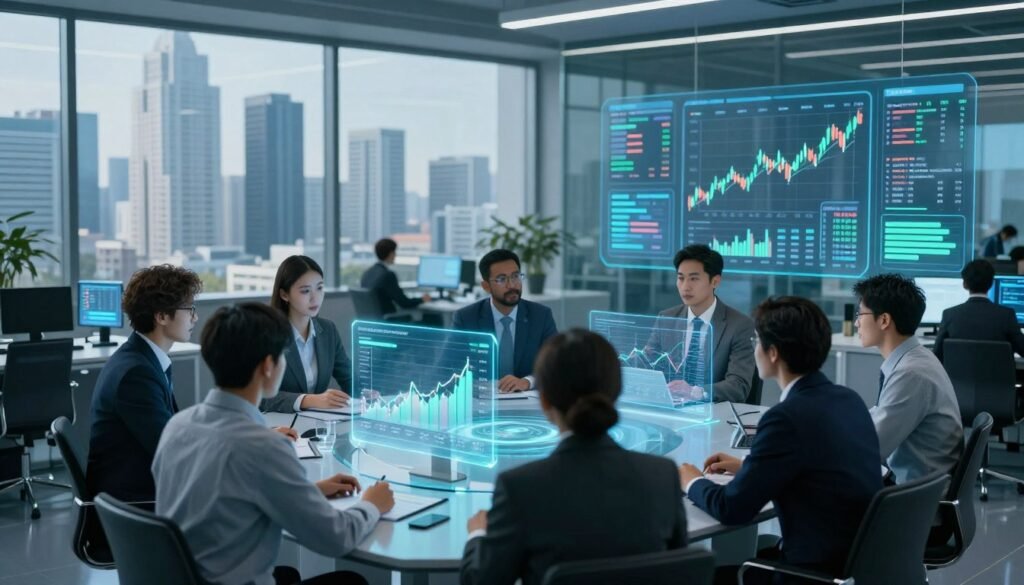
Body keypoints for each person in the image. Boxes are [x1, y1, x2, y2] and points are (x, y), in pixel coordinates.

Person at [152, 303, 395, 585]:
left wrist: (310, 491)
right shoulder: (262, 447)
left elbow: (220, 498)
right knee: (350, 581)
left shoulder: (178, 426)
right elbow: (335, 538)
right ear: (268, 366)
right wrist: (371, 505)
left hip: (188, 576)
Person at [679, 297, 881, 585]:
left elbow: (732, 509)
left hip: (809, 574)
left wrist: (692, 482)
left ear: (772, 353)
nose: (754, 348)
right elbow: (815, 464)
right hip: (853, 563)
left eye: (757, 341)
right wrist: (749, 465)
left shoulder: (786, 418)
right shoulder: (847, 399)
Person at [460, 330, 686, 585]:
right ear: (617, 392)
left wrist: (477, 534)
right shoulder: (663, 476)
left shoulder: (520, 489)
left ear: (544, 401)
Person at [87, 264, 202, 503]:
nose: (195, 316)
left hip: (140, 488)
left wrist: (247, 433)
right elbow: (171, 448)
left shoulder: (142, 359)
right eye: (189, 309)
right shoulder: (136, 373)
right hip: (135, 503)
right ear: (161, 316)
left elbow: (173, 429)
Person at [854, 274, 963, 484]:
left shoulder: (910, 374)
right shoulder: (916, 358)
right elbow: (881, 416)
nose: (857, 322)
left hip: (914, 496)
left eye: (861, 313)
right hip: (919, 485)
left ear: (884, 320)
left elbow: (871, 447)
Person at [654, 244, 755, 403]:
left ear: (715, 281)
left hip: (714, 415)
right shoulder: (666, 319)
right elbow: (647, 366)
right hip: (669, 409)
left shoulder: (739, 325)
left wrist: (695, 392)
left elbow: (739, 385)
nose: (685, 286)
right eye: (681, 278)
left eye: (694, 278)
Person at [452, 249, 557, 393]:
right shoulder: (466, 318)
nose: (511, 285)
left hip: (525, 402)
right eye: (502, 279)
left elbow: (556, 366)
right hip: (482, 401)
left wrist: (527, 382)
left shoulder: (540, 315)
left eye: (515, 276)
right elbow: (449, 368)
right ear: (486, 286)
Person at [261, 255, 354, 414]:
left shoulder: (328, 330)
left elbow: (349, 378)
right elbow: (259, 396)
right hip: (278, 428)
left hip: (317, 427)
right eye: (305, 291)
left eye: (319, 288)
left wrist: (366, 391)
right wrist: (309, 400)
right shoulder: (267, 334)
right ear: (284, 295)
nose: (315, 298)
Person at [934, 259, 1024, 361]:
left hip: (957, 377)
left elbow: (937, 355)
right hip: (998, 376)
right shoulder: (1007, 315)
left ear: (965, 284)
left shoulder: (949, 315)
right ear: (991, 284)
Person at [360, 238, 431, 315]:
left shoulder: (367, 273)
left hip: (372, 321)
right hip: (389, 320)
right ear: (391, 254)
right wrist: (422, 299)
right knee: (432, 319)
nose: (395, 255)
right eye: (394, 252)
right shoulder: (387, 275)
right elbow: (404, 303)